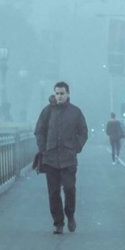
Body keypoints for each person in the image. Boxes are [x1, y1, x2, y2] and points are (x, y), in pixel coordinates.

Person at [34, 81, 88, 234]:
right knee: (53, 192)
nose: (59, 96)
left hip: (68, 158)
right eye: (57, 93)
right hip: (50, 158)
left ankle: (70, 214)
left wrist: (76, 147)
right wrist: (43, 148)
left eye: (62, 93)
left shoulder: (75, 112)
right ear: (54, 94)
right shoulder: (47, 112)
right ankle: (58, 223)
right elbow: (39, 131)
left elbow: (83, 132)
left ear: (68, 94)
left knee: (70, 189)